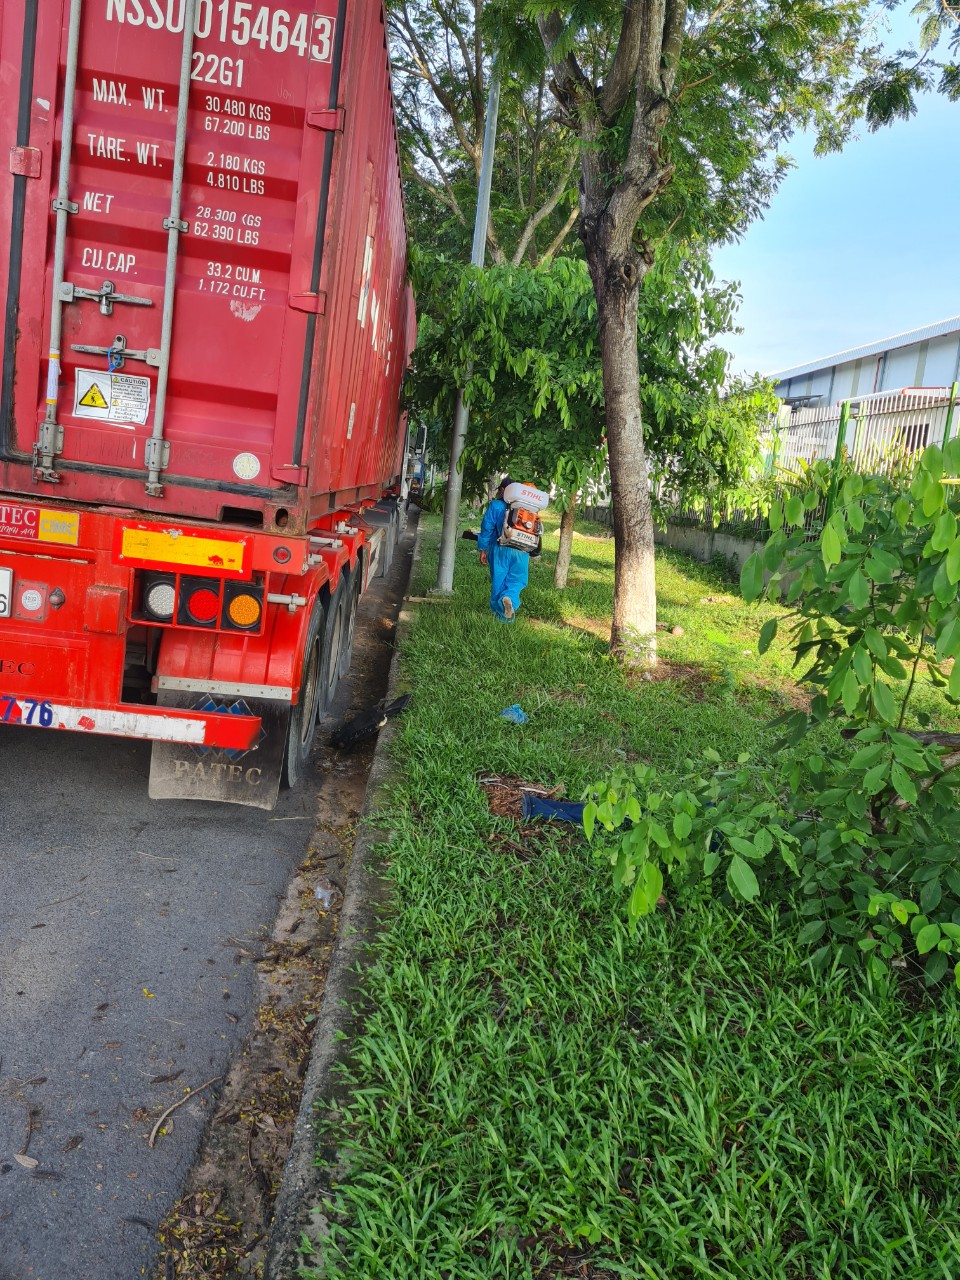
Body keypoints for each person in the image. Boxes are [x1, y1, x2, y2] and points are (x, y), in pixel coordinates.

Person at [477, 475, 529, 622]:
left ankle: (501, 619)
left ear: (502, 490)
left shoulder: (496, 505)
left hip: (500, 549)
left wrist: (483, 549)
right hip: (522, 550)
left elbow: (487, 528)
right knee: (517, 581)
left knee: (499, 583)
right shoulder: (526, 507)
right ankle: (509, 598)